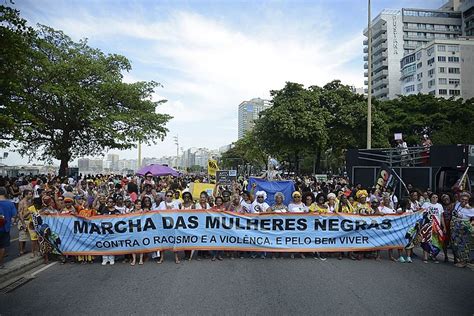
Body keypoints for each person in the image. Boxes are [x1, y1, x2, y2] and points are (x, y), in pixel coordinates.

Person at [420, 193, 445, 263]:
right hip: (427, 226)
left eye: (436, 197)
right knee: (426, 241)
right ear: (430, 198)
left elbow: (442, 217)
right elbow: (421, 214)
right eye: (433, 197)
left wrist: (444, 227)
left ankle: (433, 255)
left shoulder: (440, 206)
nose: (435, 199)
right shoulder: (426, 204)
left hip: (437, 227)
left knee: (436, 242)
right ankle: (425, 257)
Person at [450, 192, 473, 268]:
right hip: (455, 228)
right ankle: (459, 260)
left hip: (464, 230)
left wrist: (470, 224)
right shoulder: (457, 204)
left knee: (463, 246)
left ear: (468, 200)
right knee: (455, 244)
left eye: (466, 200)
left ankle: (463, 262)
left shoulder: (471, 209)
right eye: (462, 199)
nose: (464, 201)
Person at [0, 187, 17, 268]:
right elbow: (14, 216)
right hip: (5, 228)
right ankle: (1, 263)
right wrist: (11, 222)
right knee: (2, 246)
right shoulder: (10, 203)